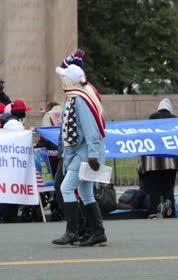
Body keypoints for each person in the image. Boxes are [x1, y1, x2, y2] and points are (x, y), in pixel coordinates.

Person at [52, 64, 107, 246]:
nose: (61, 80)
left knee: (66, 188)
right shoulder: (75, 98)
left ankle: (72, 232)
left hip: (84, 154)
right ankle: (97, 233)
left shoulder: (80, 100)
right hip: (82, 153)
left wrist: (92, 155)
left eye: (63, 77)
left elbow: (91, 130)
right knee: (86, 193)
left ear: (69, 80)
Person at [138, 98, 178, 218]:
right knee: (168, 189)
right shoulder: (175, 121)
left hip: (152, 163)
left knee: (153, 190)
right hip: (170, 163)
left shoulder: (151, 119)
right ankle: (169, 212)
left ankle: (154, 212)